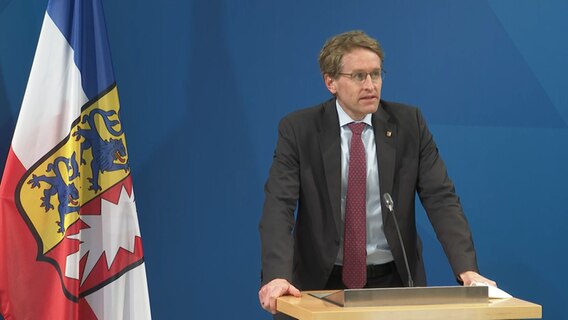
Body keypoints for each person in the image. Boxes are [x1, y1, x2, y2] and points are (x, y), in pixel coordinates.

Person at [258, 30, 496, 318]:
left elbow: (441, 199)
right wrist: (276, 275)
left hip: (392, 280)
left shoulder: (410, 124)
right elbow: (278, 205)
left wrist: (467, 270)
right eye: (359, 76)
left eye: (376, 74)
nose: (370, 85)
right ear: (330, 81)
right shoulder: (299, 129)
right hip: (319, 281)